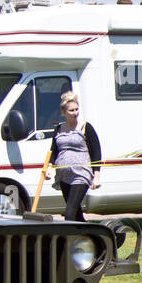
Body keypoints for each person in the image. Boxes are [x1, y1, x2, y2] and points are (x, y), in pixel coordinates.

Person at [46, 92, 102, 221]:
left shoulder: (85, 127)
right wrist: (49, 167)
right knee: (76, 213)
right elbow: (54, 150)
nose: (75, 113)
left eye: (76, 109)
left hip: (81, 174)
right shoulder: (59, 129)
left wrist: (97, 175)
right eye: (71, 110)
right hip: (64, 175)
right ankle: (90, 237)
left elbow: (96, 151)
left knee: (69, 213)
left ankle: (68, 240)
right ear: (64, 112)